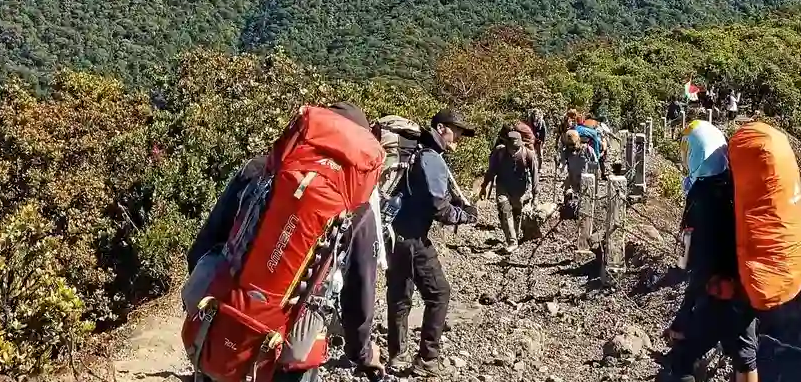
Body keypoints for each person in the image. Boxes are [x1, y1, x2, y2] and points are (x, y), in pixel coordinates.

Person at [185, 102, 386, 382]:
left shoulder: (260, 168)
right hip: (287, 352)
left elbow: (204, 246)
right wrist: (363, 354)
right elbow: (359, 292)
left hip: (225, 326)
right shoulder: (358, 208)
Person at [660, 119, 759, 382]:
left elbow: (700, 264)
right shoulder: (734, 184)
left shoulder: (701, 197)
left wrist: (683, 315)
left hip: (716, 293)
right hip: (746, 287)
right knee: (746, 360)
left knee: (682, 360)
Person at [386, 108, 478, 377]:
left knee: (400, 296)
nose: (458, 137)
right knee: (439, 293)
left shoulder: (416, 154)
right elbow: (440, 209)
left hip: (393, 235)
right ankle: (427, 358)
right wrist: (466, 216)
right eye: (456, 130)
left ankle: (396, 354)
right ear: (440, 128)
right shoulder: (431, 159)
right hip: (414, 238)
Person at [478, 126, 538, 252]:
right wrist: (484, 186)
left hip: (520, 188)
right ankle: (512, 241)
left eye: (516, 147)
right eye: (512, 147)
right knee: (504, 210)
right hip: (503, 186)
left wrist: (535, 195)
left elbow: (535, 175)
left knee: (517, 213)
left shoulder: (528, 154)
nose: (514, 150)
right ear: (507, 144)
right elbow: (491, 171)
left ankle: (515, 236)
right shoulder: (499, 153)